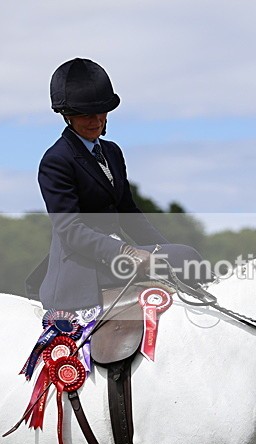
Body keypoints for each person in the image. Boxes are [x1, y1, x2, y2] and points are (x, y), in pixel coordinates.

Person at [26, 58, 211, 311]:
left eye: (100, 112)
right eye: (84, 115)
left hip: (113, 258)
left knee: (186, 258)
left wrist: (165, 251)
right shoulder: (56, 160)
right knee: (184, 257)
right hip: (84, 266)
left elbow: (130, 215)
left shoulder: (112, 152)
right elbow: (70, 230)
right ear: (67, 116)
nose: (95, 120)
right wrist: (126, 251)